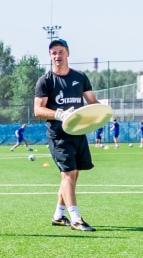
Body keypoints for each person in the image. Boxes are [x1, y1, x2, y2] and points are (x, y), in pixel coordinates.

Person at [33, 38, 99, 232]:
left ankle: (58, 216)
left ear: (68, 53)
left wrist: (104, 113)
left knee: (74, 174)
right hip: (58, 135)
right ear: (50, 56)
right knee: (68, 174)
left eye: (60, 52)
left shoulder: (80, 77)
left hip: (78, 132)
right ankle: (76, 218)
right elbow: (38, 110)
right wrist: (59, 114)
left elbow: (92, 101)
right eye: (53, 53)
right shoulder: (45, 80)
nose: (57, 56)